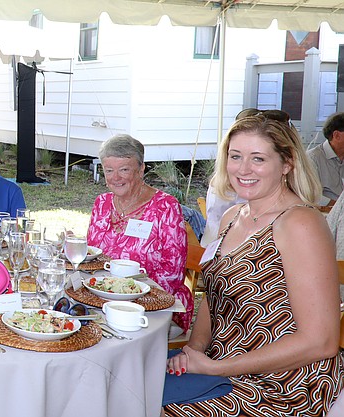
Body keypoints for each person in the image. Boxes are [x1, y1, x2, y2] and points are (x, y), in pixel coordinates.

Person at [163, 110, 344, 416]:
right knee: (125, 389)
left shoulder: (300, 223)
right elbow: (213, 297)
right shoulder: (233, 218)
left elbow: (322, 341)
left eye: (258, 158)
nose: (243, 169)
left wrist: (216, 368)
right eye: (235, 156)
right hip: (223, 366)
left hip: (283, 382)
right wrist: (193, 351)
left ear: (286, 163)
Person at [86, 134, 191, 333]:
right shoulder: (102, 203)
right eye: (109, 170)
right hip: (103, 298)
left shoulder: (165, 207)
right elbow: (93, 258)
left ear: (141, 169)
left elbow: (173, 274)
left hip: (155, 304)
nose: (115, 178)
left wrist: (126, 295)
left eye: (124, 169)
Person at [308, 111, 344, 209]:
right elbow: (309, 194)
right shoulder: (312, 158)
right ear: (336, 135)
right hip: (324, 214)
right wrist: (338, 206)